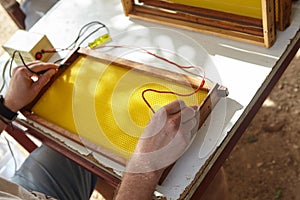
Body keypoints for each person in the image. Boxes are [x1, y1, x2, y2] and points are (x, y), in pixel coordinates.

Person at [0, 62, 200, 199]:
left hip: (21, 193)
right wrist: (145, 165)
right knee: (195, 168)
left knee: (76, 144)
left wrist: (6, 108)